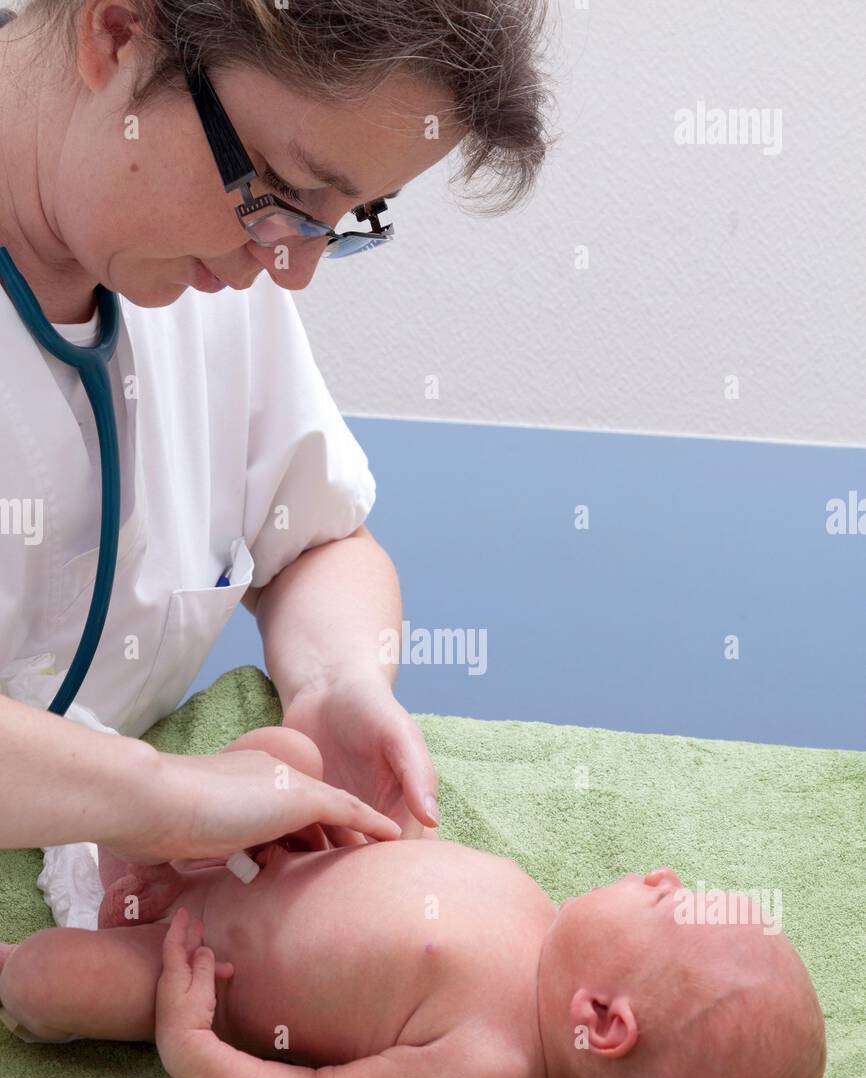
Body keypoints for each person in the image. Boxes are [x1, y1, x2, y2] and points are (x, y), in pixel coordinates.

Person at [0, 1, 556, 866]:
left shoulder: (215, 275)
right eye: (287, 188)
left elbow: (316, 543)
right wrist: (158, 798)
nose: (290, 269)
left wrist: (338, 681)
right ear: (116, 33)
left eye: (345, 215)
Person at [0, 725, 826, 1078]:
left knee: (49, 980)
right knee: (288, 757)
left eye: (665, 900)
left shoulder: (487, 1064)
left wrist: (190, 1046)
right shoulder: (531, 905)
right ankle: (131, 807)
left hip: (179, 960)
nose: (658, 872)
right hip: (216, 848)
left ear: (604, 1020)